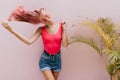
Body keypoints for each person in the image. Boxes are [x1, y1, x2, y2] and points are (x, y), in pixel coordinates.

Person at [1, 6, 69, 80]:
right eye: (43, 19)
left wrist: (64, 29)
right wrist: (11, 30)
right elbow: (29, 41)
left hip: (57, 60)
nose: (46, 19)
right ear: (40, 22)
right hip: (45, 60)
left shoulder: (61, 26)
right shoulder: (41, 30)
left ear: (48, 14)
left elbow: (65, 44)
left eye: (46, 16)